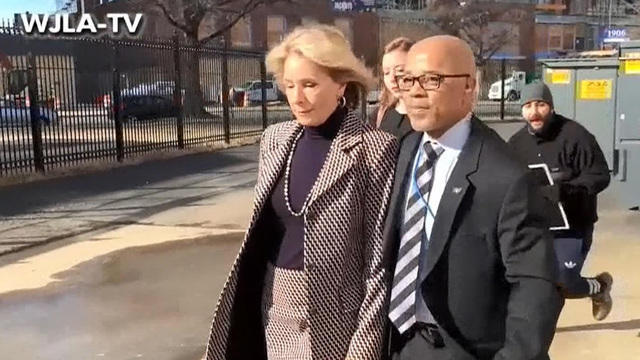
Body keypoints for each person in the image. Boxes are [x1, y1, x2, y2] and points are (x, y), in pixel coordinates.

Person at [205, 24, 398, 360]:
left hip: (337, 322)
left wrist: (363, 350)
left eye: (310, 84)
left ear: (340, 84)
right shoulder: (275, 140)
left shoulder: (374, 150)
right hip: (273, 308)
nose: (297, 97)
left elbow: (377, 265)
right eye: (289, 85)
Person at [381, 35, 563, 360]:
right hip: (398, 342)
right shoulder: (402, 150)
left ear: (469, 86)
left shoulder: (507, 175)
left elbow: (535, 285)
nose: (415, 91)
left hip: (464, 349)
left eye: (431, 80)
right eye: (408, 80)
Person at [508, 81, 613, 321]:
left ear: (551, 107)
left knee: (564, 281)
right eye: (527, 106)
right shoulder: (516, 144)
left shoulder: (576, 135)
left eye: (540, 104)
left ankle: (599, 287)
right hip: (536, 224)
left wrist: (567, 190)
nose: (533, 112)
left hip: (574, 225)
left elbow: (600, 176)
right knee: (535, 283)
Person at [371, 37, 414, 140]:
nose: (392, 78)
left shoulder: (429, 118)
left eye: (400, 70)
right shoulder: (379, 115)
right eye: (386, 72)